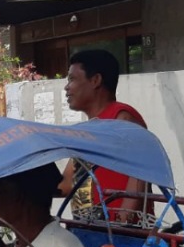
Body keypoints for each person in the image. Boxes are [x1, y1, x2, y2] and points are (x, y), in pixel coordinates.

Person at [58, 49, 150, 223]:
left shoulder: (122, 118)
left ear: (95, 80)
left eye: (72, 79)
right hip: (87, 229)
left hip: (117, 231)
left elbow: (141, 173)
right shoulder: (88, 130)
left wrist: (123, 221)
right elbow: (66, 184)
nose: (67, 87)